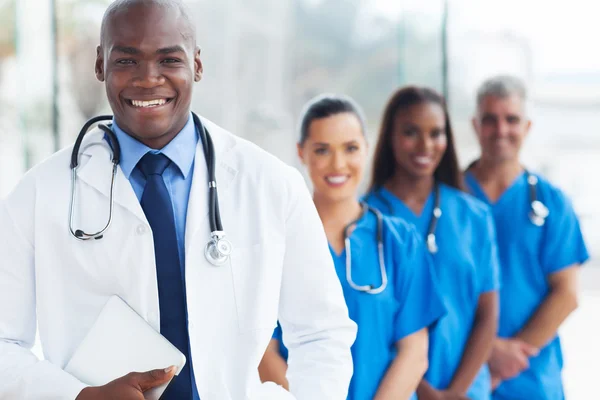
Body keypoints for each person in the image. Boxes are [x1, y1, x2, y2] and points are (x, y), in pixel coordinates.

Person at [0, 1, 357, 399]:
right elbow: (3, 345)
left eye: (169, 59)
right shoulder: (36, 195)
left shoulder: (271, 184)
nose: (148, 79)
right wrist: (81, 396)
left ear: (197, 65)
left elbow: (322, 334)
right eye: (126, 61)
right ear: (100, 65)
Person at [258, 94, 446, 400]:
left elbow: (414, 352)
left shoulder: (400, 241)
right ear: (300, 152)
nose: (338, 164)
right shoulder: (276, 241)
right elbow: (264, 353)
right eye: (322, 150)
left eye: (351, 148)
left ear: (367, 150)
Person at [364, 86, 500, 400]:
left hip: (466, 391)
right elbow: (372, 323)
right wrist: (423, 391)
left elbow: (487, 315)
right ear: (390, 138)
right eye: (411, 132)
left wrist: (454, 392)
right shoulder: (364, 219)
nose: (425, 145)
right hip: (393, 390)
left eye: (436, 133)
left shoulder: (475, 217)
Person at [465, 75, 589, 400]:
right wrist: (486, 352)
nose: (501, 130)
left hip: (532, 378)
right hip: (461, 372)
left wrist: (507, 360)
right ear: (476, 126)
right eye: (490, 120)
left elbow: (566, 294)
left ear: (527, 126)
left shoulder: (551, 202)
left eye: (512, 120)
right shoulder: (450, 198)